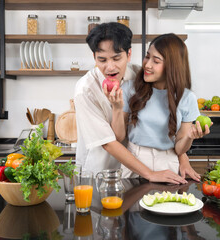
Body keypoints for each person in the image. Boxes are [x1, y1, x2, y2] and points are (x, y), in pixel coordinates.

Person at [74, 23, 196, 184]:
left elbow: (169, 122)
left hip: (132, 169)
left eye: (117, 58)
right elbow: (109, 143)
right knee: (101, 208)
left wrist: (182, 157)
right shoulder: (85, 90)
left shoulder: (140, 76)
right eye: (102, 60)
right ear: (94, 58)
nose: (110, 67)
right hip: (99, 169)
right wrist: (151, 173)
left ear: (129, 54)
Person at [105, 33, 211, 178]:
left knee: (166, 201)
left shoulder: (187, 98)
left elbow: (180, 149)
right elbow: (118, 137)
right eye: (147, 57)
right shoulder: (130, 88)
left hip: (168, 163)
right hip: (134, 162)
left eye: (156, 61)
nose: (147, 65)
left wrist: (189, 137)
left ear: (172, 66)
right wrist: (117, 108)